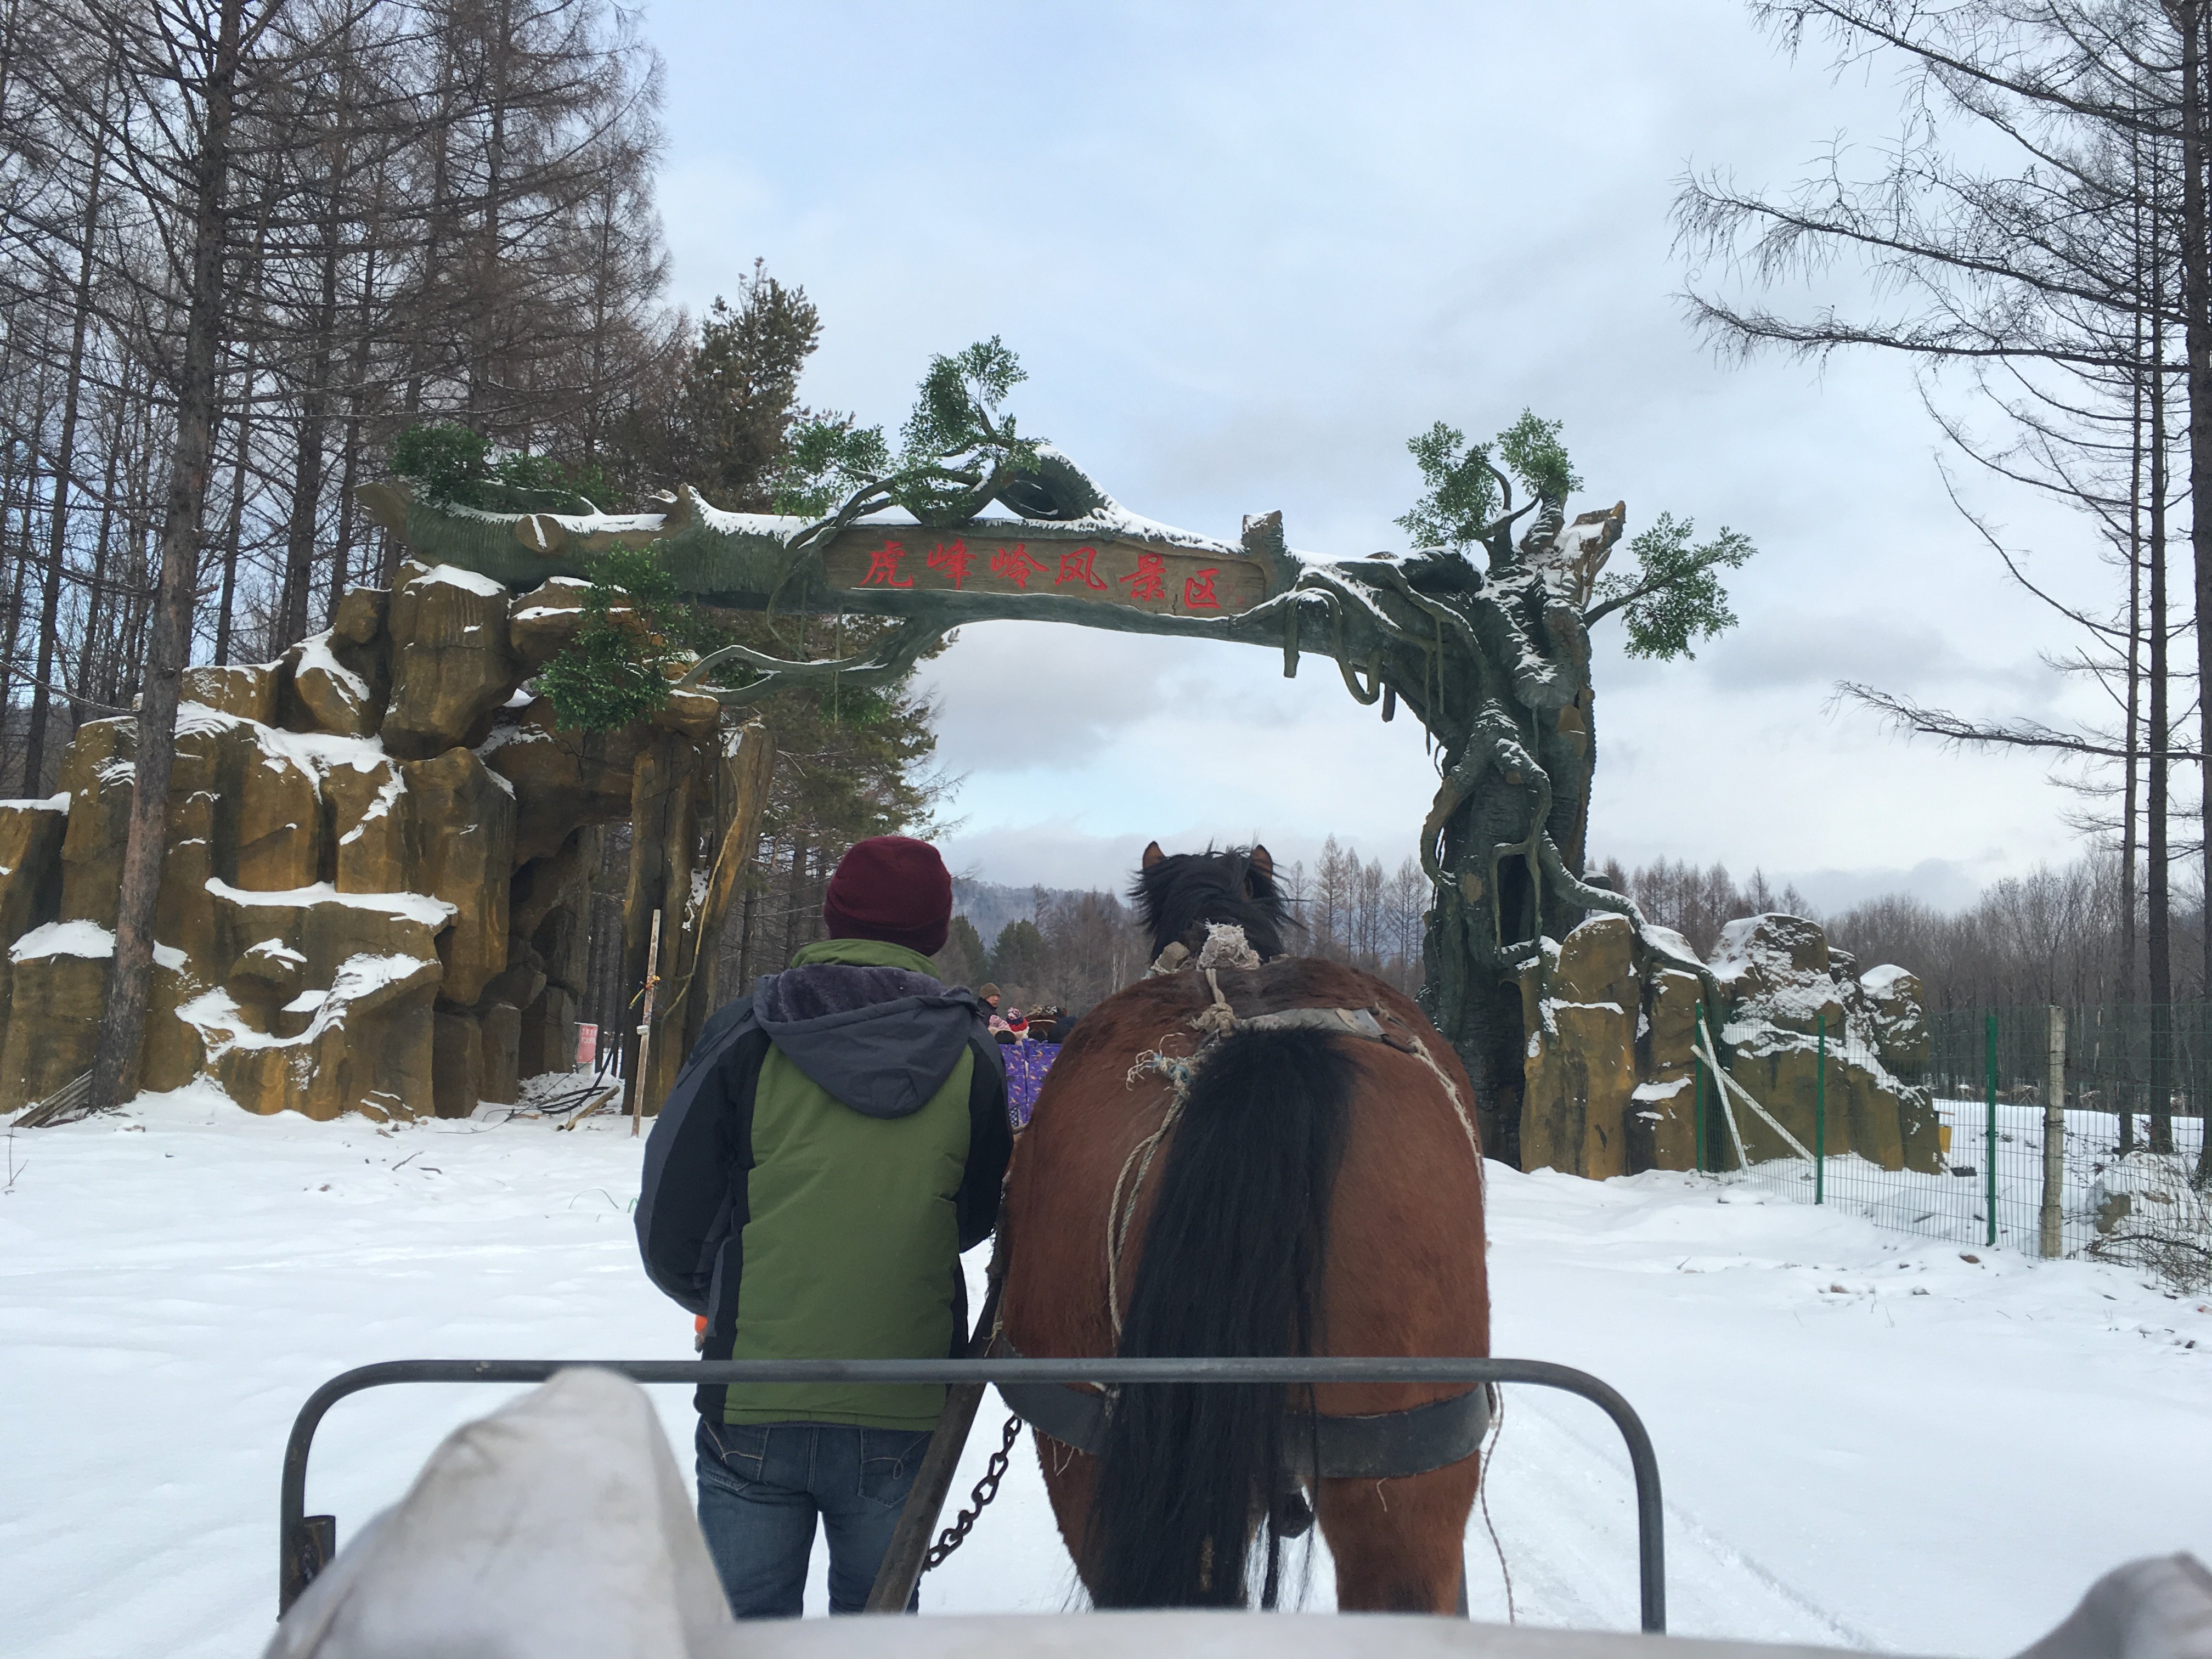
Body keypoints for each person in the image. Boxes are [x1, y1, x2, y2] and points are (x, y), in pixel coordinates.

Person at [635, 835, 1012, 1619]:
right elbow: (973, 1216)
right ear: (936, 934)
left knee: (741, 1638)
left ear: (834, 914)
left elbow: (670, 1222)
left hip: (753, 1396)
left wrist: (737, 1296)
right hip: (904, 1403)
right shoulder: (972, 1053)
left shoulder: (748, 1031)